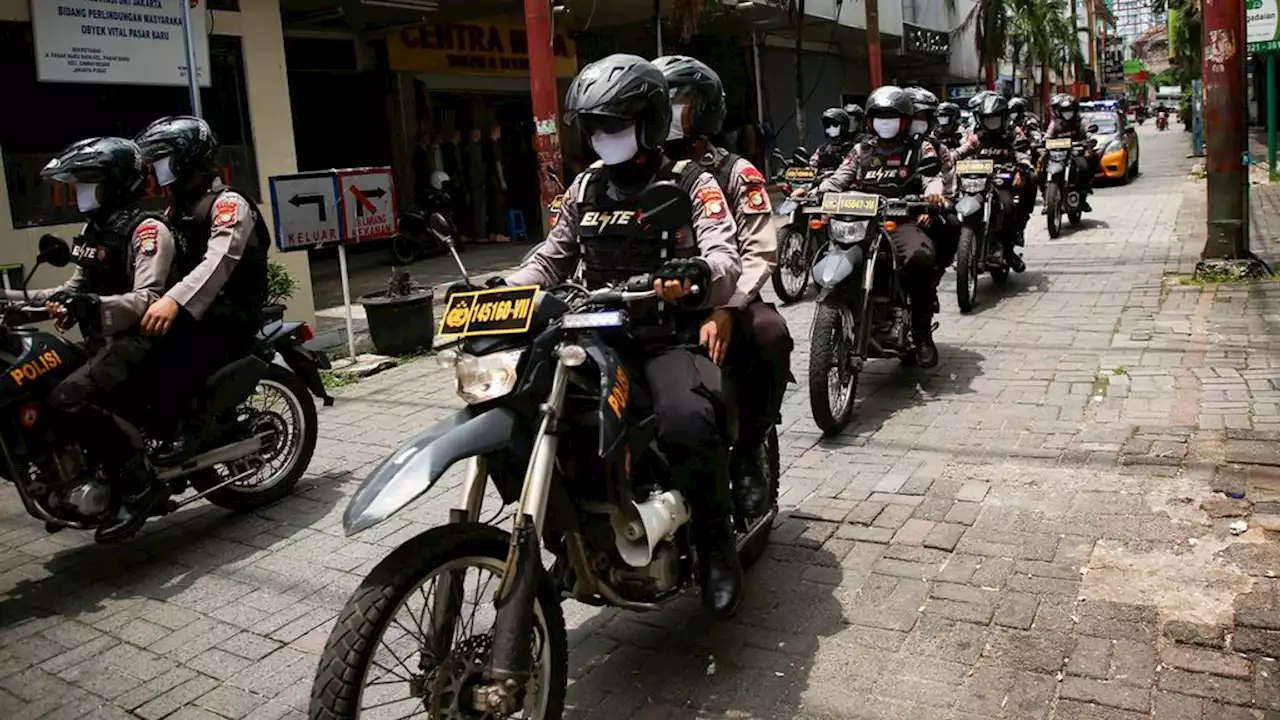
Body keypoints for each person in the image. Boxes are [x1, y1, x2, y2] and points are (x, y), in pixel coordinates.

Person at [501, 54, 745, 616]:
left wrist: (697, 273)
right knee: (526, 409)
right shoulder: (585, 185)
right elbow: (552, 257)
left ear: (651, 120)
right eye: (593, 126)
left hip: (663, 338)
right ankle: (570, 535)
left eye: (614, 124)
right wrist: (503, 285)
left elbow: (725, 257)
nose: (602, 137)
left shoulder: (691, 182)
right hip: (591, 336)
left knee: (688, 420)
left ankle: (715, 546)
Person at [14, 137, 179, 542]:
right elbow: (70, 289)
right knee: (42, 380)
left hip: (143, 341)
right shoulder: (94, 230)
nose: (79, 192)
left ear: (117, 183)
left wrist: (90, 306)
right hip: (104, 341)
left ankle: (139, 484)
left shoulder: (148, 230)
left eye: (88, 182)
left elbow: (149, 298)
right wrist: (11, 299)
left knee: (69, 399)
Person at [655, 54, 792, 521]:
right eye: (660, 102)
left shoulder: (736, 172)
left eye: (679, 103)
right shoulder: (636, 167)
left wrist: (729, 309)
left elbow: (758, 253)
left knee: (771, 334)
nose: (668, 112)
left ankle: (751, 451)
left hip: (724, 296)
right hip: (652, 302)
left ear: (706, 109)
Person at [133, 115, 270, 462]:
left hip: (231, 310)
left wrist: (173, 301)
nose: (156, 168)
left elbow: (218, 262)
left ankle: (192, 429)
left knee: (173, 340)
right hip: (201, 308)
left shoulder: (229, 205)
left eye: (162, 158)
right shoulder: (177, 207)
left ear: (187, 157)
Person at [795, 86, 951, 368]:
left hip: (899, 221)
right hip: (860, 222)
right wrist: (812, 190)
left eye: (892, 117)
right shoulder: (860, 150)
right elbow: (839, 178)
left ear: (904, 119)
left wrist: (933, 192)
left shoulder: (920, 147)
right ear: (870, 121)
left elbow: (933, 177)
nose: (886, 122)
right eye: (879, 117)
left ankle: (922, 333)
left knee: (920, 258)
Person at [953, 94, 1035, 272]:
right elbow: (961, 151)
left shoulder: (1014, 132)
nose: (991, 123)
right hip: (978, 182)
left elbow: (1023, 153)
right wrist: (948, 159)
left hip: (1002, 183)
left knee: (1008, 207)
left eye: (995, 119)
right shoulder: (976, 136)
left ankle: (1010, 247)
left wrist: (1020, 169)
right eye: (988, 119)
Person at [1044, 93, 1098, 212]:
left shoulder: (1081, 120)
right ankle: (1046, 199)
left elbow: (1089, 131)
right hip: (1057, 155)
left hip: (1075, 154)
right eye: (1064, 111)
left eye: (1069, 110)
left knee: (1084, 167)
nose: (1067, 113)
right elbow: (1047, 136)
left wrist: (1089, 141)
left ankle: (1082, 197)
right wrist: (1042, 142)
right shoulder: (1055, 123)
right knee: (1041, 169)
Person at [484, 124, 511, 243]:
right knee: (498, 207)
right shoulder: (495, 146)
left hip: (489, 180)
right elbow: (497, 164)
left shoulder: (485, 146)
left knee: (492, 207)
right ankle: (499, 234)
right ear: (495, 131)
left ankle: (493, 233)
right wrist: (502, 181)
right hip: (495, 181)